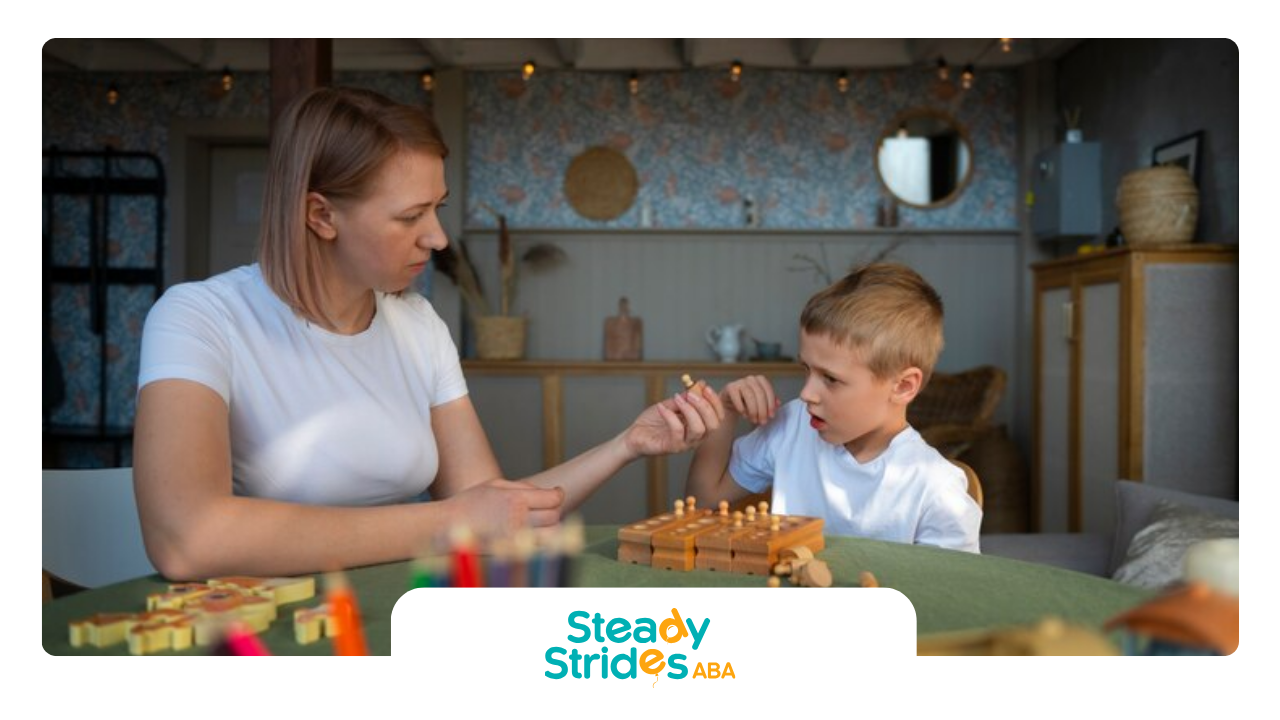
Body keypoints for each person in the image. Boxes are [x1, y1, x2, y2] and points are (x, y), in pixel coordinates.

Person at [134, 87, 726, 580]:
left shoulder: (416, 324)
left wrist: (627, 443)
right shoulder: (198, 318)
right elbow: (188, 540)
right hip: (259, 623)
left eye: (437, 208)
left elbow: (493, 506)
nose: (438, 238)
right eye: (409, 216)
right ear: (321, 216)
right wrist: (448, 524)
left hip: (402, 602)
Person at [685, 263, 981, 553]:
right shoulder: (792, 426)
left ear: (903, 386)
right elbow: (700, 505)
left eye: (830, 379)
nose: (806, 394)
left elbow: (947, 598)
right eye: (806, 370)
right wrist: (724, 411)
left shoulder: (937, 489)